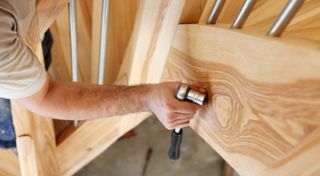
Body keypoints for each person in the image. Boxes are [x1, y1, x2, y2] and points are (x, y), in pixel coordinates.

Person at [0, 0, 203, 143]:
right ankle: (11, 140)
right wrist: (147, 99)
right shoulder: (3, 54)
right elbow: (47, 96)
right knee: (10, 125)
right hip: (9, 62)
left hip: (18, 32)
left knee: (42, 50)